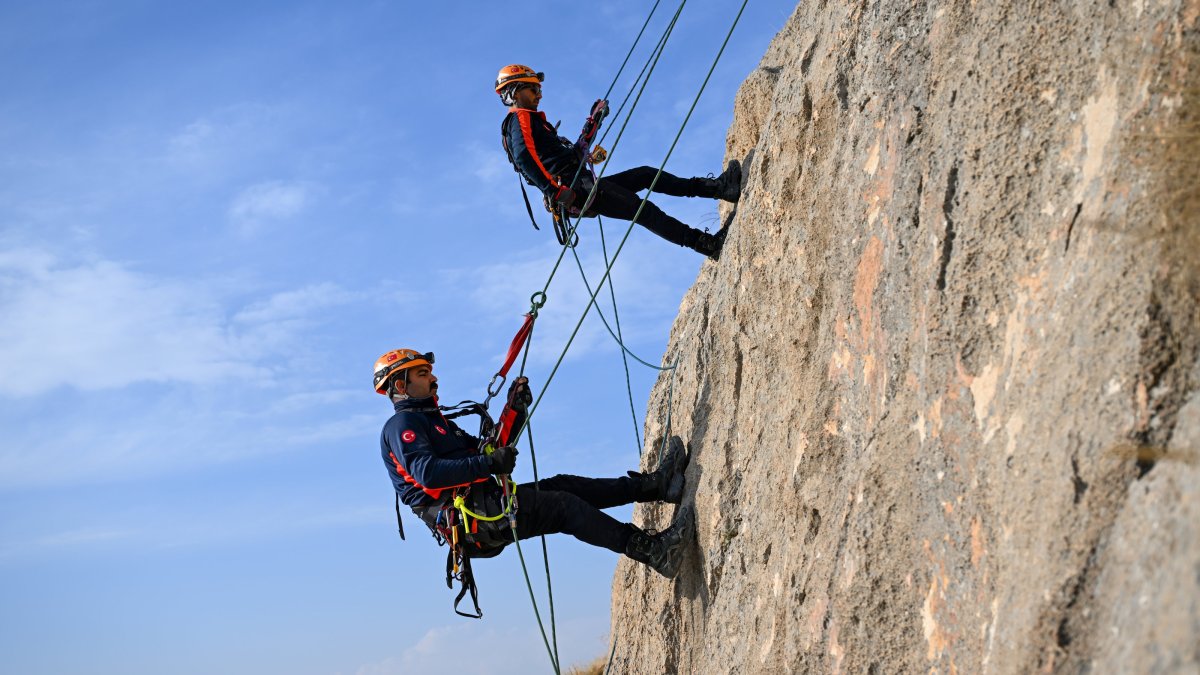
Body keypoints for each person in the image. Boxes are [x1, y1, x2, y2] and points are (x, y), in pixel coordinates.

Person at [373, 347, 695, 582]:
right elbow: (428, 475)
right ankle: (656, 551)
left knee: (565, 486)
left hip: (484, 508)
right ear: (400, 385)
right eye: (423, 373)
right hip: (475, 520)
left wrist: (514, 410)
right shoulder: (402, 427)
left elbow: (490, 450)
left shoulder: (437, 422)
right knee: (564, 508)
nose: (434, 378)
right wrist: (487, 465)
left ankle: (656, 486)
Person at [495, 64, 742, 259]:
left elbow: (558, 157)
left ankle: (719, 189)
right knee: (643, 210)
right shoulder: (520, 119)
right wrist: (555, 191)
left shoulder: (530, 121)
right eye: (533, 89)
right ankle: (706, 244)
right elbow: (525, 158)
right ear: (514, 92)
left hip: (577, 185)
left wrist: (592, 124)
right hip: (575, 189)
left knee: (645, 175)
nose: (539, 94)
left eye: (539, 89)